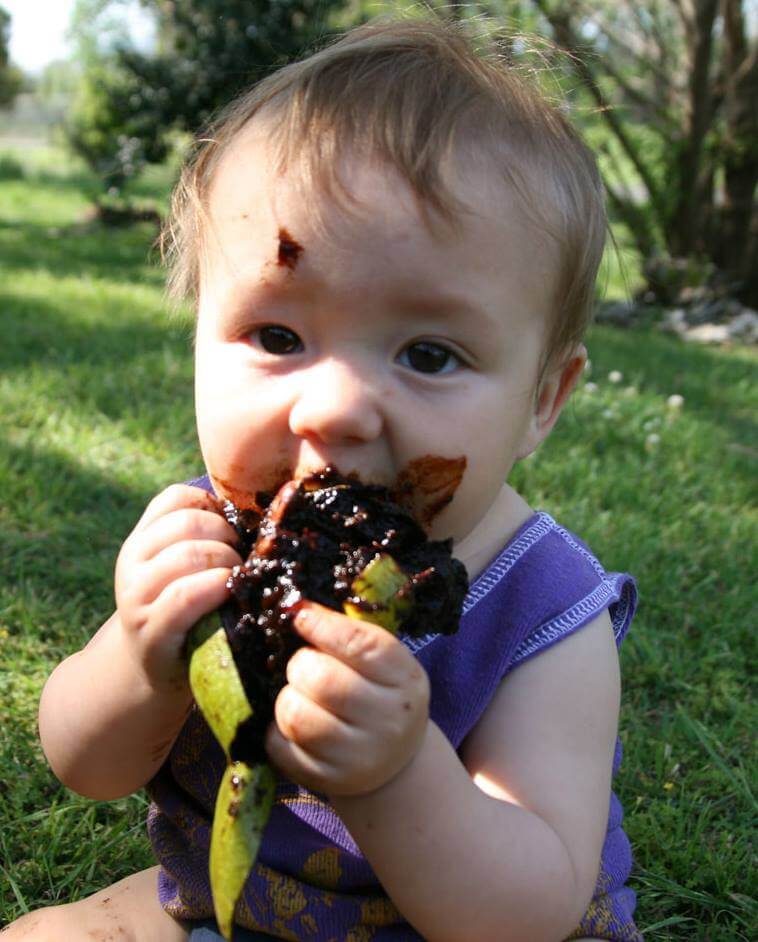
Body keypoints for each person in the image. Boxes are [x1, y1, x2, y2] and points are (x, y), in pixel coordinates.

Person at [3, 16, 643, 942]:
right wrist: (139, 659)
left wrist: (397, 773)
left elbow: (529, 909)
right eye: (277, 336)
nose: (335, 410)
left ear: (543, 399)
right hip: (229, 907)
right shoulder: (212, 539)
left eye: (429, 354)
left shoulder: (543, 613)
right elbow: (84, 765)